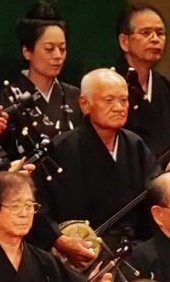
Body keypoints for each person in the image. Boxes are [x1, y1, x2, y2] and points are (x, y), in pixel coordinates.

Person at [44, 68, 157, 241]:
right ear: (84, 104)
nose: (119, 107)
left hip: (133, 247)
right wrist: (58, 239)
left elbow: (154, 191)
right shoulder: (62, 148)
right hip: (83, 247)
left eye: (124, 100)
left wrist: (166, 182)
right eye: (109, 100)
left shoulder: (135, 145)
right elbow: (42, 206)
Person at [0, 1, 84, 171]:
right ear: (27, 51)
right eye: (49, 49)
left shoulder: (76, 97)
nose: (58, 56)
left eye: (62, 48)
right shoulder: (10, 98)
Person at [116, 2, 170, 155]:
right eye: (146, 33)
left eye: (160, 33)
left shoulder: (166, 90)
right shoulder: (109, 85)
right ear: (124, 42)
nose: (155, 39)